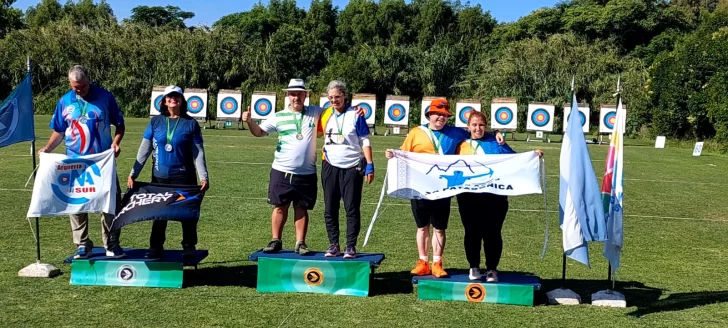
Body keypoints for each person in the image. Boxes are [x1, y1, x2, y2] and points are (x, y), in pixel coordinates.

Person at [385, 98, 504, 278]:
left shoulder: (456, 133)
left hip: (443, 189)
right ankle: (423, 261)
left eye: (444, 115)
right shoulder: (416, 133)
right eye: (438, 114)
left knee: (439, 228)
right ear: (429, 114)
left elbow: (476, 131)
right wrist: (392, 153)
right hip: (420, 188)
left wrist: (496, 132)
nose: (441, 117)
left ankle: (437, 263)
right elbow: (402, 152)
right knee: (422, 226)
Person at [39, 65, 126, 259]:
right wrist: (48, 148)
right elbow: (59, 131)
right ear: (70, 83)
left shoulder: (105, 97)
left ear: (89, 79)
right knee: (76, 202)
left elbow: (120, 125)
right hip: (75, 161)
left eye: (83, 86)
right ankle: (82, 244)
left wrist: (115, 143)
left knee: (111, 202)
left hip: (102, 161)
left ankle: (111, 243)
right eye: (75, 87)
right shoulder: (64, 101)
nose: (79, 90)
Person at [455, 111, 542, 282]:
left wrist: (533, 155)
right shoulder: (460, 144)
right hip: (468, 197)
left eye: (481, 125)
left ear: (485, 126)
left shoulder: (496, 142)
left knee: (492, 233)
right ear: (468, 126)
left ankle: (492, 269)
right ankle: (474, 267)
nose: (478, 128)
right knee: (471, 233)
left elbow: (516, 159)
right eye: (474, 125)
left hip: (495, 197)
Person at [242, 79, 325, 256]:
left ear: (305, 95)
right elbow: (259, 132)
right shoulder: (278, 116)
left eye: (300, 94)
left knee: (301, 208)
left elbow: (336, 112)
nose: (297, 97)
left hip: (307, 172)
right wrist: (249, 121)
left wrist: (354, 109)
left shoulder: (316, 112)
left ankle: (300, 243)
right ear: (288, 95)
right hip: (282, 170)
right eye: (293, 94)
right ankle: (275, 240)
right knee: (280, 207)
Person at [128, 85, 210, 261]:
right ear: (164, 101)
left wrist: (203, 176)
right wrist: (134, 172)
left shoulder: (191, 123)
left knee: (186, 214)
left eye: (177, 97)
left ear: (182, 101)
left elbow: (198, 152)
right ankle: (156, 246)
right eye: (169, 97)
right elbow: (145, 148)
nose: (173, 99)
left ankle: (189, 247)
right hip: (159, 177)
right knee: (159, 214)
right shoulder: (155, 122)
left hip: (184, 177)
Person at [317, 80, 375, 259]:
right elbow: (316, 133)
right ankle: (334, 244)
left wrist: (370, 164)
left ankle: (351, 246)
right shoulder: (325, 114)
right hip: (329, 165)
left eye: (338, 97)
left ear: (345, 96)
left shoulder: (356, 114)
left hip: (352, 166)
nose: (335, 100)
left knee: (351, 207)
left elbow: (364, 139)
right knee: (330, 208)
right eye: (331, 97)